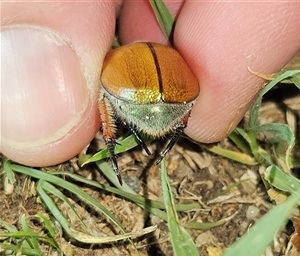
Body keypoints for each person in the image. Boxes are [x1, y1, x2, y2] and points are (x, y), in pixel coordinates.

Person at [1, 1, 300, 167]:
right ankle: (154, 134)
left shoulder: (113, 59)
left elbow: (104, 98)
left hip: (146, 96)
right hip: (173, 98)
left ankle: (111, 141)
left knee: (105, 98)